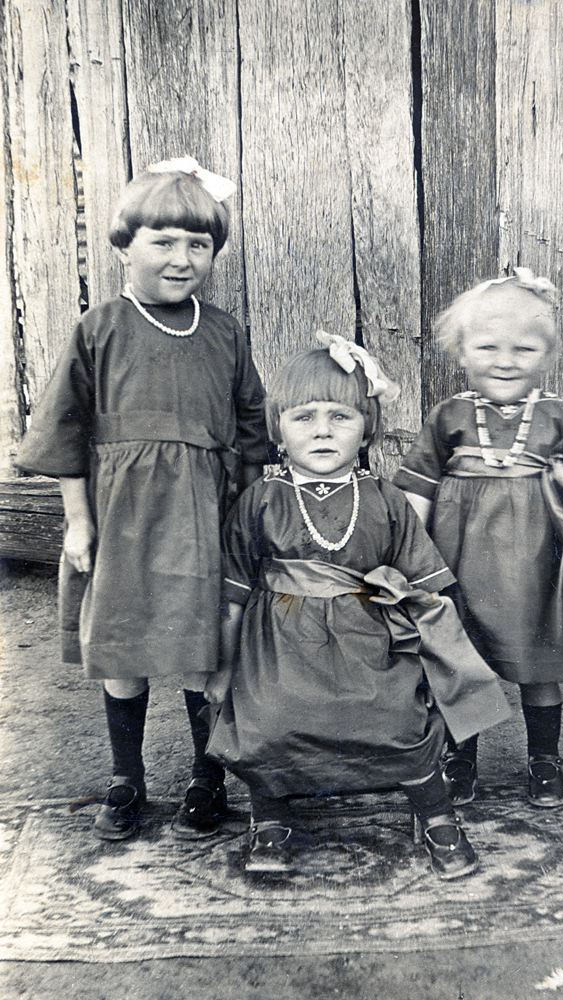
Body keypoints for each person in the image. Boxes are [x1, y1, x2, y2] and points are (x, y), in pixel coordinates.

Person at [16, 157, 269, 842]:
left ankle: (204, 775)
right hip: (124, 517)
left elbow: (251, 429)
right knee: (124, 653)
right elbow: (64, 427)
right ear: (125, 246)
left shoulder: (223, 332)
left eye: (198, 244)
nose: (182, 258)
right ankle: (127, 778)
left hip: (202, 518)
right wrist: (77, 521)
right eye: (162, 241)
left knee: (199, 652)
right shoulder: (100, 328)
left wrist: (245, 517)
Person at [203, 333, 511, 879]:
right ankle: (270, 817)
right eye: (304, 417)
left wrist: (441, 656)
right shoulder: (261, 500)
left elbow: (428, 583)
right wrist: (223, 668)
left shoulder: (385, 499)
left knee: (398, 718)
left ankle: (435, 814)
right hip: (277, 646)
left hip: (370, 638)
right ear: (277, 429)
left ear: (367, 426)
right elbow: (232, 594)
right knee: (266, 719)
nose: (322, 430)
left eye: (340, 416)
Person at [393, 270, 563, 809]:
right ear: (461, 353)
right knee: (462, 663)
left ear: (546, 355)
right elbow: (418, 485)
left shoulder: (555, 415)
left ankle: (544, 758)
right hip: (459, 561)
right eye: (488, 347)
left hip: (536, 566)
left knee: (539, 661)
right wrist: (406, 549)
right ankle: (461, 759)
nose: (505, 360)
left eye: (523, 349)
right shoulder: (450, 416)